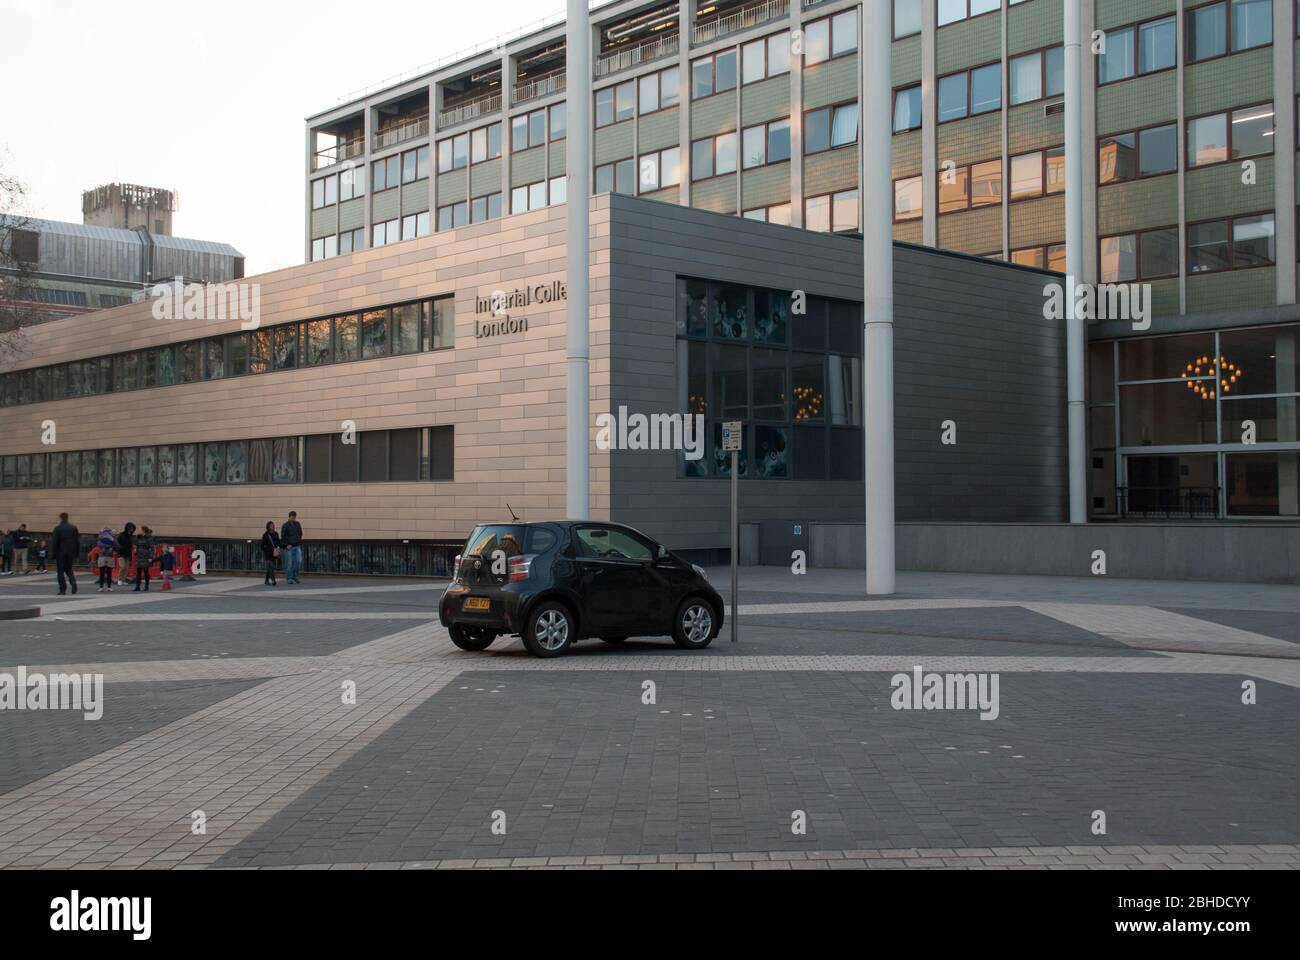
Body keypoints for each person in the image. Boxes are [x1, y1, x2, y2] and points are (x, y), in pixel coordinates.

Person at [51, 513, 80, 596]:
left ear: (60, 518)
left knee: (60, 571)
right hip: (70, 552)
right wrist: (76, 553)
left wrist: (53, 554)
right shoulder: (73, 528)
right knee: (69, 569)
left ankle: (63, 589)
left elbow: (55, 543)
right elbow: (77, 541)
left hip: (60, 552)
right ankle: (73, 583)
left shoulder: (57, 528)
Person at [280, 511, 304, 585]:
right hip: (289, 547)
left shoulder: (297, 524)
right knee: (289, 563)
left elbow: (300, 533)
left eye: (294, 517)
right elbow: (283, 536)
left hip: (297, 545)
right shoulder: (285, 525)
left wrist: (298, 540)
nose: (293, 518)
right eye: (292, 517)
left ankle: (295, 576)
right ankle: (289, 578)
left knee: (298, 561)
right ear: (289, 517)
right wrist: (287, 544)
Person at [133, 526, 156, 592]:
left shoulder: (149, 537)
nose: (139, 531)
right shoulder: (139, 537)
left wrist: (150, 557)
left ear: (143, 530)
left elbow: (152, 548)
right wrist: (136, 551)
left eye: (140, 530)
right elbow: (137, 545)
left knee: (146, 572)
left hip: (146, 556)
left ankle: (146, 586)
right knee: (138, 572)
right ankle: (137, 587)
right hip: (139, 556)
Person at [260, 522, 282, 586]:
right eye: (271, 525)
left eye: (273, 525)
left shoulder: (276, 534)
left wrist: (281, 547)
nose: (272, 526)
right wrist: (266, 549)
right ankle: (273, 580)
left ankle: (266, 580)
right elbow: (262, 545)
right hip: (267, 553)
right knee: (271, 566)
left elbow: (278, 542)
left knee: (269, 567)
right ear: (268, 526)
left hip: (274, 553)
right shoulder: (265, 535)